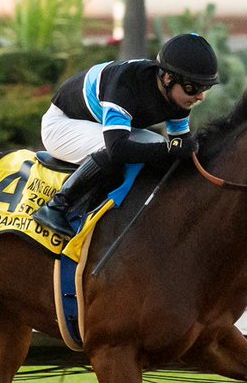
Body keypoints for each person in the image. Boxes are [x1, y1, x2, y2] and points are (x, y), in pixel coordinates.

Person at [32, 32, 220, 238]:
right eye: (193, 87)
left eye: (205, 88)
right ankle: (57, 206)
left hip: (97, 124)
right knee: (127, 152)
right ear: (168, 78)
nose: (200, 96)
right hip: (62, 125)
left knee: (160, 147)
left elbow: (180, 145)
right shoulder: (126, 84)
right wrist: (169, 149)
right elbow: (117, 149)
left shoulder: (179, 98)